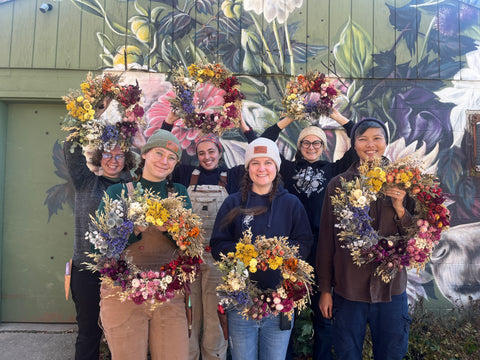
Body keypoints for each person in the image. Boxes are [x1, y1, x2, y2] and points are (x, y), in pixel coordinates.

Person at [259, 109, 358, 359]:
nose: (311, 147)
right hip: (291, 247)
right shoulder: (287, 168)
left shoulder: (334, 170)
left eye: (316, 143)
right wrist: (291, 117)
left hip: (323, 249)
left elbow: (357, 139)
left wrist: (335, 115)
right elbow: (265, 141)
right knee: (285, 309)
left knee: (323, 314)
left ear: (323, 147)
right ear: (299, 146)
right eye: (306, 142)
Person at [316, 118, 414, 359]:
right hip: (348, 290)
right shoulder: (338, 185)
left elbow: (417, 236)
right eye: (363, 139)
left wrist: (400, 207)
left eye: (376, 138)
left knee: (391, 353)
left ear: (386, 142)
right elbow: (327, 240)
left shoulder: (404, 181)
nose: (370, 145)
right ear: (354, 145)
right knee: (346, 353)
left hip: (391, 289)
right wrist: (325, 289)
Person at [160, 112, 256, 360]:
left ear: (220, 152)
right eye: (201, 153)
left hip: (218, 262)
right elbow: (161, 144)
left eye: (211, 152)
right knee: (188, 319)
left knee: (215, 321)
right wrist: (169, 121)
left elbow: (258, 152)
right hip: (187, 260)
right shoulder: (184, 175)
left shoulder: (233, 177)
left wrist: (245, 127)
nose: (207, 157)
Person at [210, 137, 313, 360]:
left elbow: (305, 242)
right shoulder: (234, 203)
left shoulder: (291, 203)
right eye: (255, 163)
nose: (262, 168)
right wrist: (246, 253)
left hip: (279, 301)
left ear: (276, 167)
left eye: (268, 162)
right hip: (241, 302)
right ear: (248, 168)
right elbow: (217, 244)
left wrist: (280, 253)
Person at [98, 129, 192, 360]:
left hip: (169, 295)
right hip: (123, 295)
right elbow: (99, 247)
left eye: (171, 157)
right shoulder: (117, 191)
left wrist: (171, 230)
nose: (164, 161)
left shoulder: (178, 193)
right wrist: (134, 230)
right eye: (159, 153)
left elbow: (191, 245)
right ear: (145, 154)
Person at [65, 138, 136, 360]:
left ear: (127, 160)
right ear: (98, 157)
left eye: (119, 155)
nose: (113, 160)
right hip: (86, 270)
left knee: (123, 332)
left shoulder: (132, 187)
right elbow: (71, 149)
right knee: (88, 333)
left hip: (121, 272)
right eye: (107, 154)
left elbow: (157, 153)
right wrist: (91, 111)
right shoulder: (85, 181)